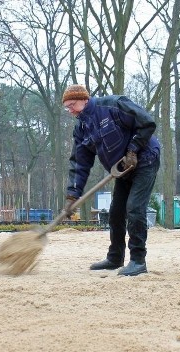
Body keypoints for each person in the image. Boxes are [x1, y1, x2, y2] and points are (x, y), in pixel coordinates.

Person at [62, 84, 161, 276]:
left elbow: (147, 123)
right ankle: (115, 257)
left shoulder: (114, 105)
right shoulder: (82, 128)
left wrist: (133, 149)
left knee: (134, 208)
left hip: (145, 159)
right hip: (123, 169)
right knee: (116, 213)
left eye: (72, 104)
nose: (70, 110)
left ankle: (138, 261)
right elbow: (79, 163)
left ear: (85, 99)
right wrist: (72, 196)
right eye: (67, 107)